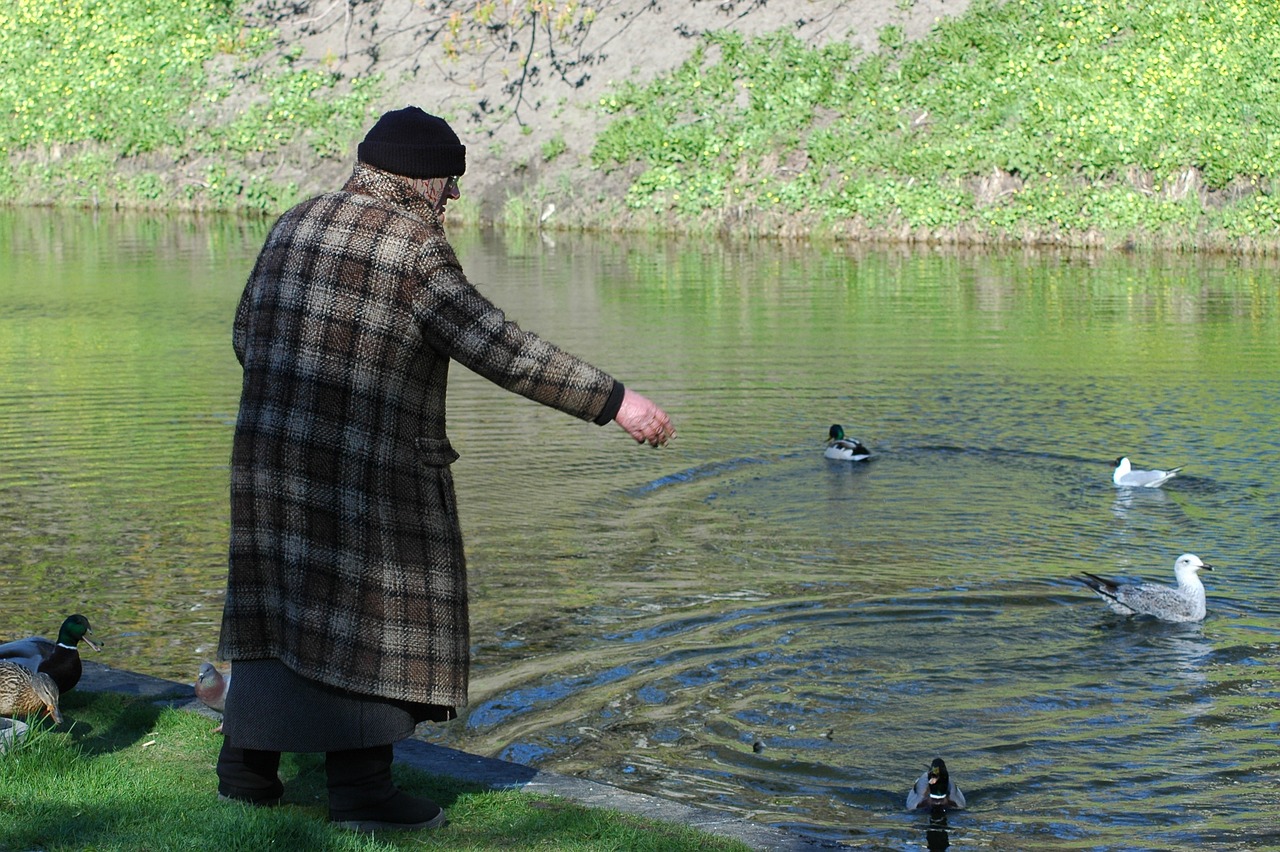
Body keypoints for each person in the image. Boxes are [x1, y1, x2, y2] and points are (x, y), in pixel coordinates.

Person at [215, 105, 675, 831]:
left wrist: (296, 411)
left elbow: (246, 332)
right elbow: (499, 346)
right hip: (369, 473)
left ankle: (246, 775)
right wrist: (614, 400)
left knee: (277, 607)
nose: (455, 198)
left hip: (269, 463)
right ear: (422, 180)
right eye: (451, 182)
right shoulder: (412, 248)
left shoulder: (296, 221)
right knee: (372, 611)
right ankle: (363, 796)